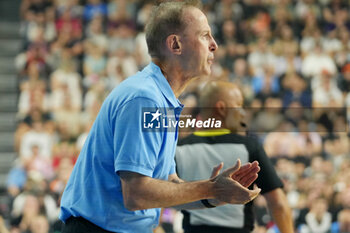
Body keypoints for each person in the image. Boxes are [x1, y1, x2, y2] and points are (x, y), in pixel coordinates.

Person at [59, 1, 261, 233]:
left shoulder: (159, 98)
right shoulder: (145, 99)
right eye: (205, 35)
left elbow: (168, 185)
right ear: (175, 44)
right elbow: (136, 194)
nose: (214, 45)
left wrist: (215, 194)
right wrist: (211, 189)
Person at [176, 81, 294, 233]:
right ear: (222, 108)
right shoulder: (249, 146)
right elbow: (277, 203)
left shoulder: (180, 148)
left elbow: (161, 198)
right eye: (238, 105)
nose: (243, 113)